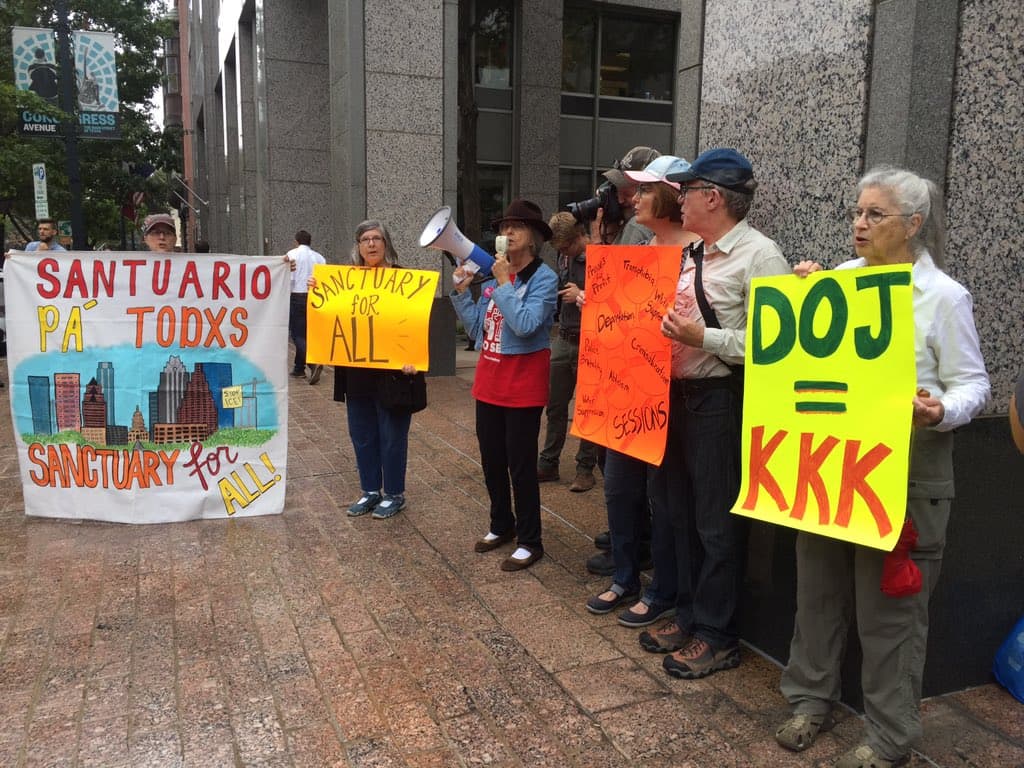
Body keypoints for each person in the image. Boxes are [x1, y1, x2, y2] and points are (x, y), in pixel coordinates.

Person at [774, 166, 989, 768]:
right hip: (830, 465)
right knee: (816, 593)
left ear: (913, 225)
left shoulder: (943, 297)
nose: (859, 224)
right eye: (856, 212)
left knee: (890, 613)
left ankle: (891, 737)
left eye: (875, 215)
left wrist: (941, 408)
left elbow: (974, 384)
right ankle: (809, 700)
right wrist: (800, 300)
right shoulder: (841, 281)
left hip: (908, 472)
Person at [635, 148, 789, 679]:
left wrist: (706, 338)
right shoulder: (694, 251)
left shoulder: (762, 256)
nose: (678, 200)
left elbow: (777, 344)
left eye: (686, 191)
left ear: (713, 197)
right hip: (674, 397)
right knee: (679, 516)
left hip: (718, 401)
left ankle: (718, 637)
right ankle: (690, 616)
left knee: (715, 524)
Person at [586, 155, 701, 622]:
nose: (632, 198)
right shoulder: (642, 244)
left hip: (675, 392)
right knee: (618, 489)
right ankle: (625, 575)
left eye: (645, 190)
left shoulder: (699, 252)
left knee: (664, 498)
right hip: (626, 386)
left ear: (673, 195)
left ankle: (662, 589)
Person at [451, 199, 558, 571]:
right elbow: (479, 331)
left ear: (533, 239)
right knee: (492, 461)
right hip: (490, 382)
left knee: (521, 465)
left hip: (523, 386)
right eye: (503, 228)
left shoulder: (543, 278)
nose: (506, 234)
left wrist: (501, 285)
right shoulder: (494, 276)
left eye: (516, 227)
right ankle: (501, 525)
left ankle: (531, 540)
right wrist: (464, 293)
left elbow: (527, 325)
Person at [584, 145, 660, 576]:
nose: (623, 194)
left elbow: (617, 287)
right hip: (626, 351)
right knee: (618, 466)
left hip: (633, 355)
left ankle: (630, 544)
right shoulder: (628, 224)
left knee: (624, 469)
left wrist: (600, 244)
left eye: (628, 186)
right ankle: (628, 538)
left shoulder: (638, 228)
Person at [331, 220, 422, 519]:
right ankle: (370, 490)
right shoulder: (346, 281)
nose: (371, 244)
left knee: (393, 435)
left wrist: (413, 357)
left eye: (377, 238)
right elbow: (331, 316)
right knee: (363, 434)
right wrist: (319, 292)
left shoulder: (403, 279)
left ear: (386, 244)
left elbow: (415, 322)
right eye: (365, 239)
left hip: (393, 374)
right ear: (357, 246)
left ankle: (394, 493)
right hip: (357, 373)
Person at [536, 212, 599, 492]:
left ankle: (585, 468)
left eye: (566, 248)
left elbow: (616, 297)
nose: (563, 254)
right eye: (559, 250)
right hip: (563, 337)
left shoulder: (599, 255)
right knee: (556, 404)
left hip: (591, 339)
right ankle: (548, 462)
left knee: (588, 408)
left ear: (580, 238)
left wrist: (583, 295)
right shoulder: (564, 256)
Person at [286, 230, 326, 384]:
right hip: (315, 297)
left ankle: (312, 362)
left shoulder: (292, 254)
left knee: (297, 334)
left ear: (296, 241)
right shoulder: (319, 258)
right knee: (307, 333)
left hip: (297, 295)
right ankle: (299, 368)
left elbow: (288, 276)